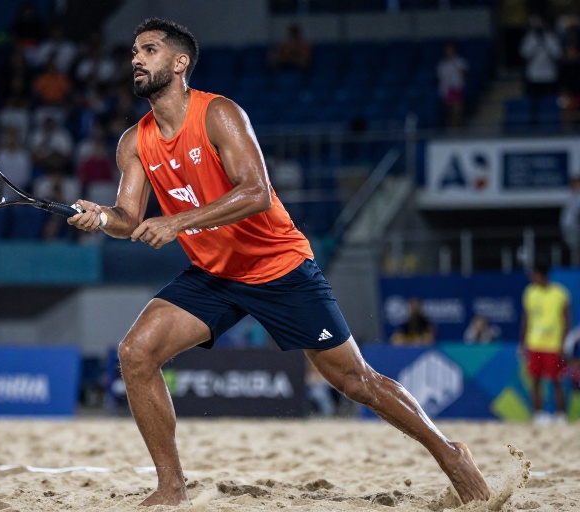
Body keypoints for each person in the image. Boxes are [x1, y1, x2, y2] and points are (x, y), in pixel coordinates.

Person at [67, 18, 490, 507]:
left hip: (278, 267)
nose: (136, 59)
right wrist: (101, 218)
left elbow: (256, 192)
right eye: (134, 52)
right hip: (214, 275)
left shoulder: (218, 114)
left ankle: (450, 453)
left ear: (180, 63)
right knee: (135, 354)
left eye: (150, 50)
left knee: (356, 382)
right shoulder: (133, 142)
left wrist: (178, 223)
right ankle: (171, 486)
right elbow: (128, 218)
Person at [520, 260, 571, 425]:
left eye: (533, 273)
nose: (531, 277)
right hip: (534, 343)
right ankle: (538, 415)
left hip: (553, 345)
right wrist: (523, 342)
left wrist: (563, 343)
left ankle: (561, 415)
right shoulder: (530, 293)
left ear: (540, 274)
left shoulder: (560, 294)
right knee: (535, 380)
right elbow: (526, 319)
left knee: (556, 381)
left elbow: (566, 321)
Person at [519, 15, 562, 125]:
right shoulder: (529, 38)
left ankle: (552, 120)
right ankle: (534, 121)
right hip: (534, 74)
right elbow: (524, 53)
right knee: (534, 100)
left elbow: (558, 54)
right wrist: (536, 44)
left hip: (549, 74)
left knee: (551, 99)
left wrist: (545, 44)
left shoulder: (550, 37)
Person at [436, 43, 468, 128]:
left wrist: (455, 65)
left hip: (456, 87)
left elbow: (464, 73)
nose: (449, 52)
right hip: (446, 89)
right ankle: (452, 126)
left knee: (457, 109)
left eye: (450, 50)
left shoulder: (459, 61)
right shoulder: (442, 64)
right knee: (449, 110)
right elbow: (440, 77)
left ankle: (459, 126)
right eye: (447, 50)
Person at [560, 175, 580, 265]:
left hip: (575, 228)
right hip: (568, 228)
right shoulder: (572, 196)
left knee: (575, 250)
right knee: (572, 250)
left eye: (576, 183)